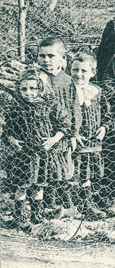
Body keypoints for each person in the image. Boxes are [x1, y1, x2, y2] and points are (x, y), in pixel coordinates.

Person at [3, 70, 72, 227]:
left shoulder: (49, 105)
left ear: (40, 88)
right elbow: (8, 129)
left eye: (33, 88)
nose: (28, 93)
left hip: (42, 153)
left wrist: (54, 139)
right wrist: (12, 139)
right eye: (24, 89)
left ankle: (36, 216)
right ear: (19, 90)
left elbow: (65, 124)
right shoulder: (16, 107)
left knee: (38, 185)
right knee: (22, 186)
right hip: (23, 154)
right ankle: (20, 218)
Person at [69, 51, 111, 219]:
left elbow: (106, 113)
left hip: (92, 142)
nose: (79, 74)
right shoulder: (68, 92)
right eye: (75, 70)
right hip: (74, 139)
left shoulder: (96, 91)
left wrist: (104, 127)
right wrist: (73, 133)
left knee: (88, 173)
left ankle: (86, 205)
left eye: (84, 71)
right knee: (73, 172)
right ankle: (72, 206)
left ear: (93, 73)